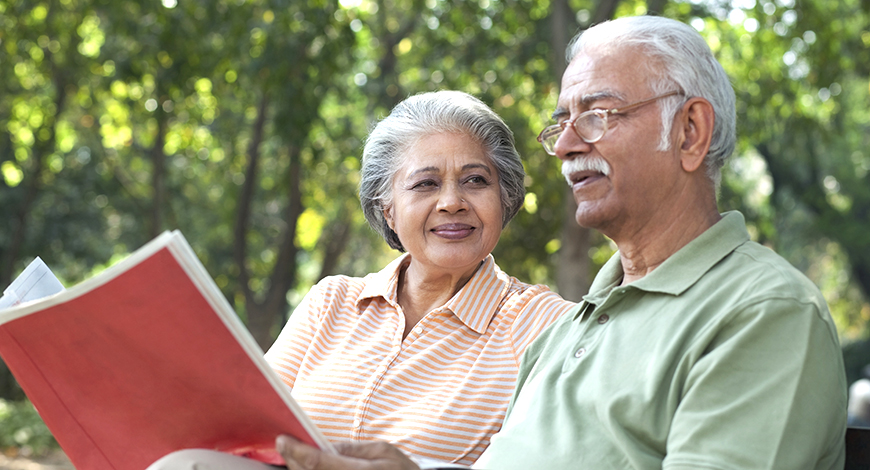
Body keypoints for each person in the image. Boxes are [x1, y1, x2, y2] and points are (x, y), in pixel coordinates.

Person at [267, 15, 848, 470]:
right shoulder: (580, 327)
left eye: (597, 114)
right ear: (386, 208)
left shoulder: (761, 314)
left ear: (690, 133)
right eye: (562, 120)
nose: (566, 143)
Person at [146, 90, 576, 470]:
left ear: (505, 198)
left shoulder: (545, 326)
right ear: (387, 208)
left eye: (475, 181)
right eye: (425, 183)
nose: (451, 202)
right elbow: (248, 433)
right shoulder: (330, 302)